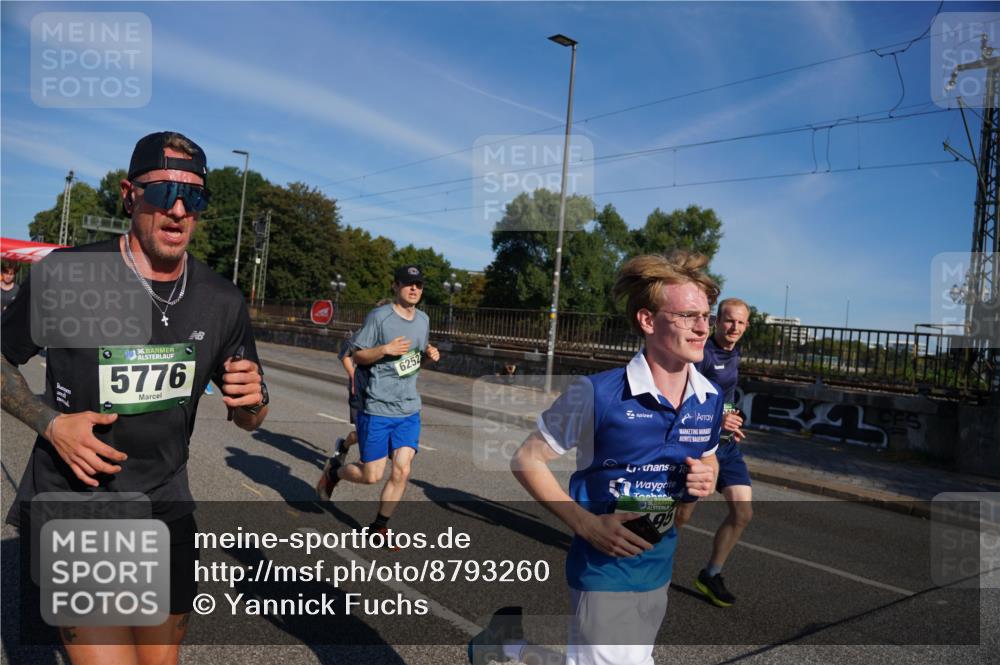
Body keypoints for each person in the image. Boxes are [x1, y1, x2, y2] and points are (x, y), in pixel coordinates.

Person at [1, 131, 269, 665]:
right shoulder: (70, 277)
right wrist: (50, 424)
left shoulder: (221, 300)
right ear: (129, 195)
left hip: (166, 507)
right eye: (161, 190)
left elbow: (250, 418)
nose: (177, 208)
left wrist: (252, 404)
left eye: (192, 196)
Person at [505, 251, 721, 665]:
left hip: (658, 565)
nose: (702, 328)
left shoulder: (709, 398)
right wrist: (586, 524)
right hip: (603, 568)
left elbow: (706, 463)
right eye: (688, 316)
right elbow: (526, 460)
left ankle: (507, 647)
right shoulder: (598, 394)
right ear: (647, 320)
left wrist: (704, 480)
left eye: (706, 317)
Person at [315, 266, 439, 542]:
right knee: (371, 475)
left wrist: (429, 355)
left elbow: (413, 363)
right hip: (378, 408)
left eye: (418, 285)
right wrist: (384, 349)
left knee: (403, 469)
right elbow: (357, 356)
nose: (414, 289)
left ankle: (379, 527)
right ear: (395, 286)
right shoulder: (379, 317)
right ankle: (335, 471)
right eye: (408, 284)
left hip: (408, 408)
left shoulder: (423, 320)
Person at [677, 297, 751, 608]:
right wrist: (715, 418)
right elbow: (681, 398)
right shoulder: (703, 355)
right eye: (729, 320)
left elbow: (727, 395)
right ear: (716, 321)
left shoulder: (735, 353)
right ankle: (637, 550)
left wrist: (734, 419)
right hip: (697, 444)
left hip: (726, 446)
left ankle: (711, 574)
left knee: (743, 512)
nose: (734, 327)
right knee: (681, 515)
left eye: (741, 322)